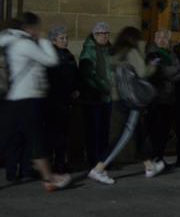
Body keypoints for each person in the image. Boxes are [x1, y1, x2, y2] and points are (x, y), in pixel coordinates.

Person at [0, 12, 70, 191]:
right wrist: (45, 40)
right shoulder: (24, 44)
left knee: (25, 138)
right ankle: (49, 178)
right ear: (29, 28)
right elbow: (51, 60)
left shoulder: (11, 40)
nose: (39, 30)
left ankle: (48, 178)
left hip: (19, 98)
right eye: (37, 27)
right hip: (27, 98)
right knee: (34, 139)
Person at [87, 26, 161, 185]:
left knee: (138, 131)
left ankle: (149, 165)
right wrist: (154, 62)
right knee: (124, 135)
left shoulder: (115, 53)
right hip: (131, 100)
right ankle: (99, 168)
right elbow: (143, 73)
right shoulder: (131, 52)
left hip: (117, 97)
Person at [145, 29, 180, 168]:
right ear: (155, 39)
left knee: (164, 131)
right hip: (156, 98)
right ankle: (153, 158)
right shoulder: (152, 53)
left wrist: (170, 71)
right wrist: (172, 70)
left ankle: (160, 158)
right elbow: (158, 72)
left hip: (169, 98)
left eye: (165, 38)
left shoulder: (171, 53)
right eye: (159, 37)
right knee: (155, 130)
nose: (162, 40)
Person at [79, 22, 113, 168]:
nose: (104, 36)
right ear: (94, 35)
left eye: (106, 33)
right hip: (94, 96)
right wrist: (104, 86)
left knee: (104, 130)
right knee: (94, 130)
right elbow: (88, 74)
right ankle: (94, 160)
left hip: (108, 96)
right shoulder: (89, 50)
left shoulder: (110, 49)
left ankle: (103, 160)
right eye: (101, 33)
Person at [45, 26, 79, 173]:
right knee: (54, 133)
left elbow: (75, 75)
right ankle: (51, 163)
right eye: (62, 38)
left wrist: (76, 89)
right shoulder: (50, 55)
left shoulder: (68, 55)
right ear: (53, 40)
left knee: (63, 133)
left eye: (66, 38)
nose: (65, 41)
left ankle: (60, 162)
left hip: (66, 99)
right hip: (53, 99)